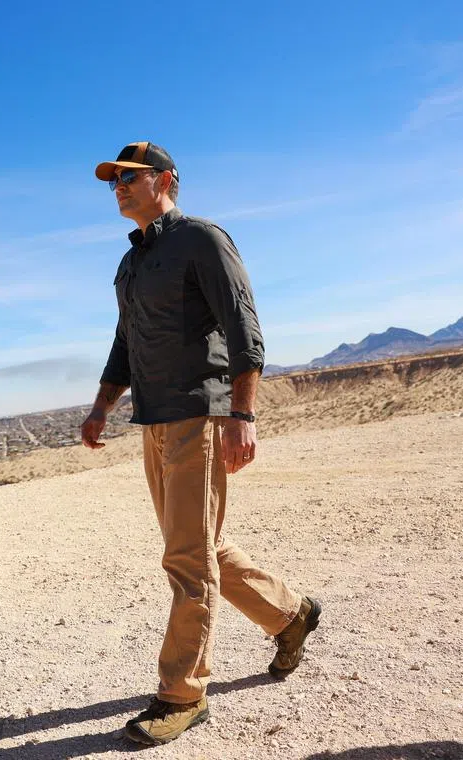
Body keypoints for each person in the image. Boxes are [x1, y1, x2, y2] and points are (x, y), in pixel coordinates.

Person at [80, 142, 323, 745]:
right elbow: (124, 342)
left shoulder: (202, 240)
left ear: (167, 179)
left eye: (131, 178)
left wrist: (244, 413)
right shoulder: (131, 262)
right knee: (200, 545)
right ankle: (290, 614)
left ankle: (183, 694)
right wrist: (102, 406)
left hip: (201, 415)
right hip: (155, 418)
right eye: (114, 181)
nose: (120, 187)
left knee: (187, 559)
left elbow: (244, 326)